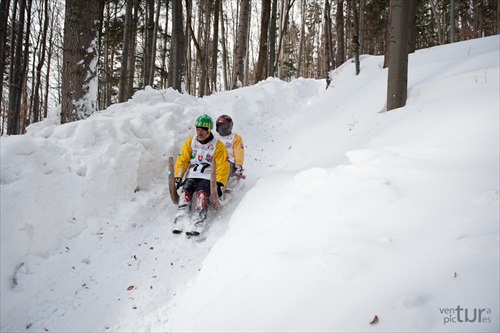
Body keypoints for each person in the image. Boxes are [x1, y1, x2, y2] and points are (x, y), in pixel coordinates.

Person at [173, 114, 230, 233]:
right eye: (197, 129)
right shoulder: (191, 141)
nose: (199, 133)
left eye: (202, 130)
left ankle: (198, 220)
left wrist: (219, 183)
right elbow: (182, 160)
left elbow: (223, 166)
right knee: (185, 191)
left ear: (209, 130)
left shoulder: (217, 145)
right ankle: (181, 217)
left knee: (202, 193)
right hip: (193, 174)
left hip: (208, 176)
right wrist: (178, 176)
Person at [214, 115, 245, 180]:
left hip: (228, 161)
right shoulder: (214, 137)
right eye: (220, 127)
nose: (222, 129)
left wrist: (238, 164)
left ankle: (221, 182)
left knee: (224, 168)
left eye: (224, 127)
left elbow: (239, 151)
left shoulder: (235, 137)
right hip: (214, 159)